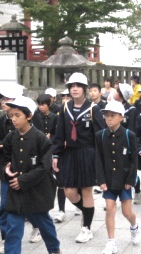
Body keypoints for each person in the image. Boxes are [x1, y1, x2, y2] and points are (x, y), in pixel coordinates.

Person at [0, 96, 61, 254]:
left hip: (37, 189)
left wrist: (23, 180)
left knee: (42, 220)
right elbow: (5, 159)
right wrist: (7, 169)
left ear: (29, 116)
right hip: (16, 189)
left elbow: (44, 166)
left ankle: (54, 249)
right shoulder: (11, 137)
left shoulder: (41, 139)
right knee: (13, 225)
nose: (13, 119)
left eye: (17, 115)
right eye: (11, 115)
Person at [0, 85, 43, 254]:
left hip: (28, 174)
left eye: (8, 99)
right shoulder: (1, 120)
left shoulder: (35, 122)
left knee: (32, 207)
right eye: (3, 99)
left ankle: (38, 228)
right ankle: (8, 244)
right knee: (7, 206)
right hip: (9, 172)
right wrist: (4, 151)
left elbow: (40, 147)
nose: (4, 103)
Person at [52, 72, 105, 243]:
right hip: (70, 153)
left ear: (84, 89)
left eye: (78, 86)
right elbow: (59, 133)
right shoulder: (65, 107)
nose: (74, 89)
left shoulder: (93, 109)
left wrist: (100, 158)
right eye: (71, 86)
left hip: (88, 153)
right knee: (69, 191)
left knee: (86, 190)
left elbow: (100, 134)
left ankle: (86, 228)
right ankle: (87, 211)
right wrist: (56, 154)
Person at [95, 100, 140, 254]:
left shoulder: (129, 135)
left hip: (125, 180)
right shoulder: (100, 135)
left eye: (112, 115)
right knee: (109, 208)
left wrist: (130, 180)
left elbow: (134, 160)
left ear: (121, 117)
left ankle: (134, 226)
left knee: (127, 212)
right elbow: (98, 159)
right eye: (106, 115)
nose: (108, 119)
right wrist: (100, 180)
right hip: (108, 179)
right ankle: (111, 242)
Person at [36, 94, 65, 223]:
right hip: (40, 150)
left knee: (58, 181)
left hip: (53, 150)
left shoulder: (55, 117)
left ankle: (61, 209)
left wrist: (50, 138)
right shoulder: (36, 117)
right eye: (39, 104)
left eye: (43, 104)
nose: (41, 107)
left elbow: (57, 134)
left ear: (49, 104)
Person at [113, 83, 141, 204]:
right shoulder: (112, 107)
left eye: (116, 90)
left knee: (130, 170)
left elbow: (132, 129)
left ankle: (138, 191)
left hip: (126, 144)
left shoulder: (131, 110)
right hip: (114, 143)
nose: (114, 92)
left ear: (121, 95)